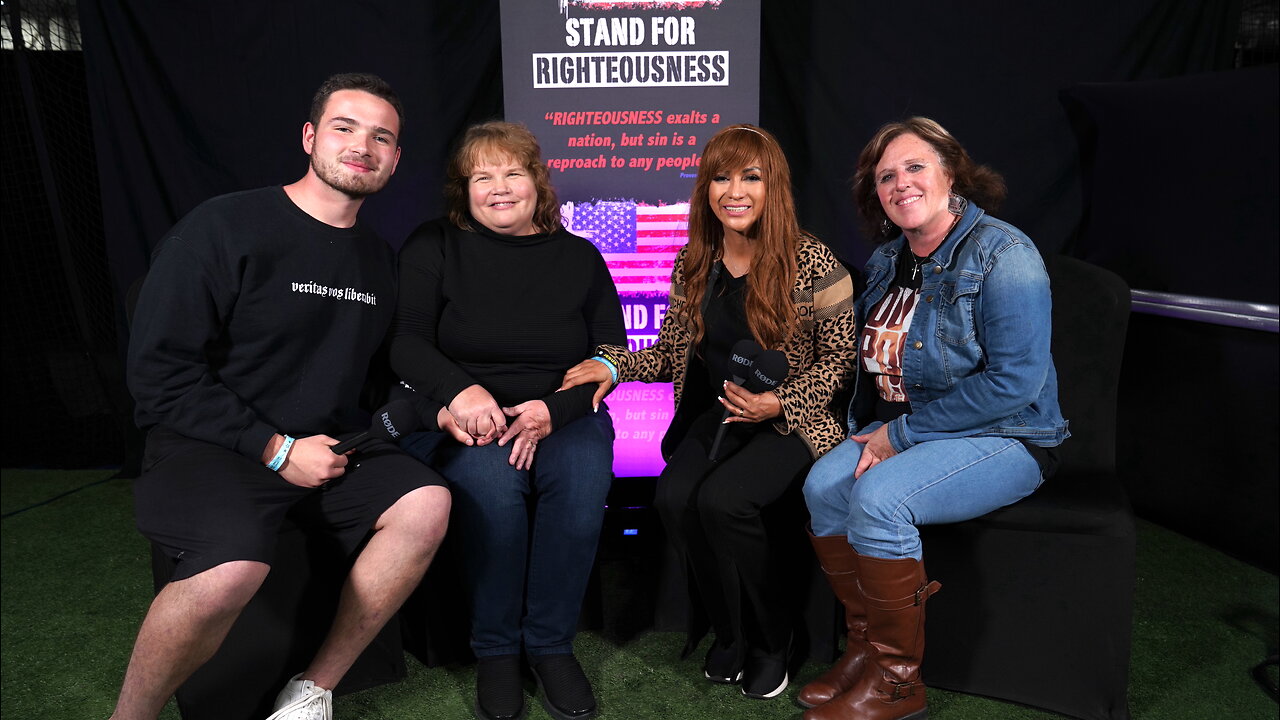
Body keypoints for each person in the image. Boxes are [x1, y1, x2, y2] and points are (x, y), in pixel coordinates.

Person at [115, 73, 452, 720]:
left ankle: (310, 694)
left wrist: (440, 408)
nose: (363, 146)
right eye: (345, 128)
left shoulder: (379, 261)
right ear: (309, 137)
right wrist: (272, 448)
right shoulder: (224, 225)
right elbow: (159, 373)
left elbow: (375, 379)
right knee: (231, 571)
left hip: (323, 446)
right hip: (210, 446)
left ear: (396, 159)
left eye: (382, 137)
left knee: (426, 503)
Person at [561, 124, 858, 701]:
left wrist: (780, 400)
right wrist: (612, 366)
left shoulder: (816, 262)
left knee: (726, 502)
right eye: (721, 177)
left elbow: (840, 363)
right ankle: (730, 632)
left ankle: (776, 640)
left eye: (751, 176)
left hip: (792, 422)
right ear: (706, 189)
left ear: (774, 186)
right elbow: (671, 351)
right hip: (716, 418)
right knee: (673, 497)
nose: (734, 190)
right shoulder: (695, 262)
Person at [798, 117, 1069, 720]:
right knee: (823, 486)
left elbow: (1015, 383)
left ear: (952, 173)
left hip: (1008, 434)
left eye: (915, 167)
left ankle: (898, 686)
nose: (900, 184)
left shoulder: (1006, 253)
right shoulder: (888, 258)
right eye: (886, 175)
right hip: (914, 424)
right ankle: (866, 653)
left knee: (881, 498)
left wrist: (900, 434)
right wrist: (868, 426)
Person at [390, 121, 625, 720]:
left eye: (512, 173)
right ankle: (496, 651)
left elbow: (611, 354)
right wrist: (462, 391)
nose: (499, 187)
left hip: (564, 413)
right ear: (463, 189)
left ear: (537, 183)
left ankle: (549, 645)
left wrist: (555, 410)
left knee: (579, 486)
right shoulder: (433, 244)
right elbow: (407, 343)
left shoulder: (580, 256)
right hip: (471, 415)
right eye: (482, 176)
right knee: (493, 496)